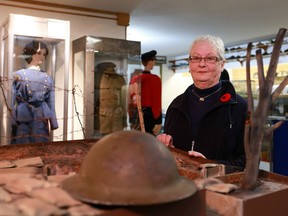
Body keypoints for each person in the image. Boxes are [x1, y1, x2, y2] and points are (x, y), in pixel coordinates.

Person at [157, 35, 247, 168]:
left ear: (222, 64)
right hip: (181, 185)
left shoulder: (239, 107)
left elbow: (247, 162)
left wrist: (211, 166)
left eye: (210, 58)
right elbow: (169, 160)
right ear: (190, 64)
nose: (202, 64)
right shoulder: (176, 105)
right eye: (196, 58)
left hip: (220, 186)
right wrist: (168, 149)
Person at [11, 40, 58, 144]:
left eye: (44, 54)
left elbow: (51, 101)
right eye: (39, 53)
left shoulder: (47, 77)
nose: (42, 56)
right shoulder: (18, 75)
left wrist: (53, 122)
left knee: (40, 147)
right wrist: (11, 119)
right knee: (22, 147)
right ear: (30, 53)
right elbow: (11, 99)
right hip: (23, 118)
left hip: (41, 118)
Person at [129, 50, 162, 135]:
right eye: (153, 61)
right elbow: (156, 101)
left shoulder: (134, 79)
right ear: (150, 62)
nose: (154, 63)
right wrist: (158, 121)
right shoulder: (155, 79)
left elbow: (130, 99)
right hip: (149, 116)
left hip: (135, 114)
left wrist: (131, 116)